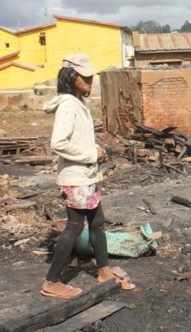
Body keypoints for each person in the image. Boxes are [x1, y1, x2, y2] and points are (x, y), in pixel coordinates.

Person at [41, 53, 134, 299]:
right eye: (85, 77)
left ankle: (104, 271)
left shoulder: (77, 102)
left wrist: (94, 155)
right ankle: (52, 281)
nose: (90, 81)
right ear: (72, 78)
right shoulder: (68, 105)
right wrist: (91, 153)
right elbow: (58, 143)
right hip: (76, 175)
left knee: (97, 223)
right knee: (74, 226)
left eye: (91, 77)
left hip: (86, 175)